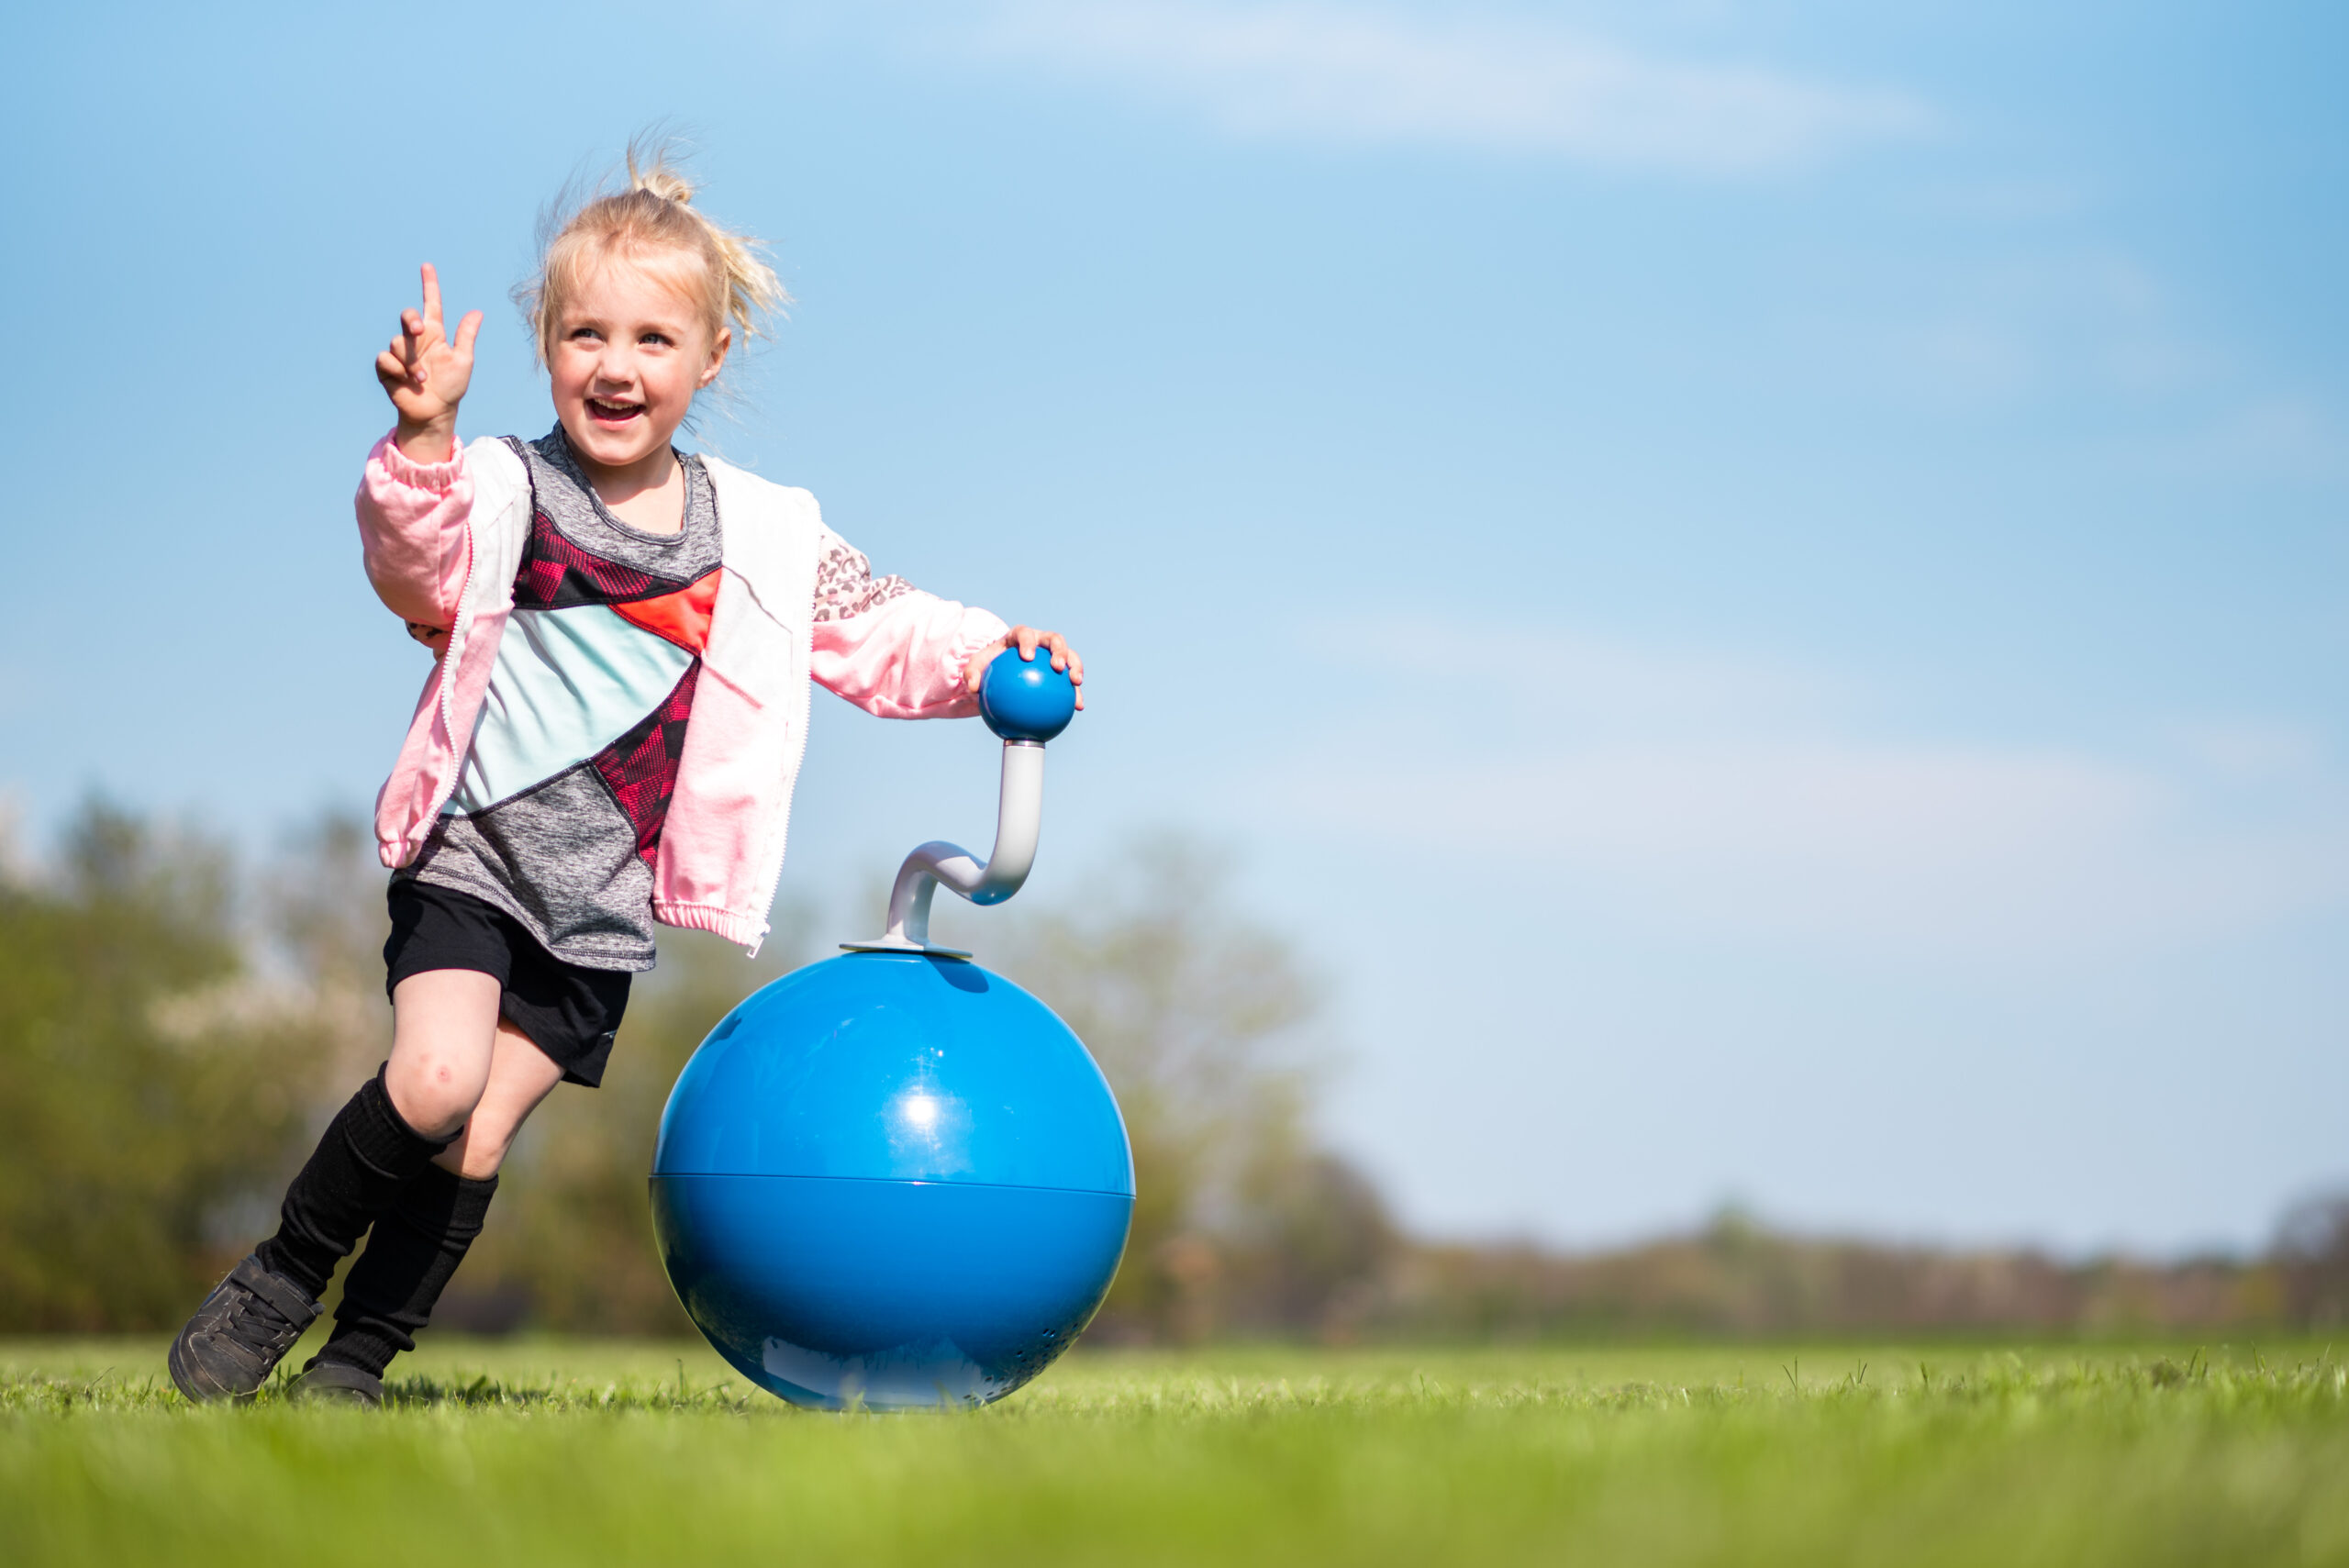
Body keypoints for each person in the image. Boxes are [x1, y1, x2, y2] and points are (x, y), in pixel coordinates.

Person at [169, 146, 1083, 1407]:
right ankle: (284, 1272)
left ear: (709, 360)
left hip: (600, 915)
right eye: (586, 332)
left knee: (478, 1136)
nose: (616, 364)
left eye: (654, 339)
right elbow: (412, 563)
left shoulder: (758, 536)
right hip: (475, 860)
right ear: (547, 342)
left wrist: (994, 657)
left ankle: (358, 1364)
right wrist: (423, 435)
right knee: (434, 1082)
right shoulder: (504, 486)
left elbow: (879, 627)